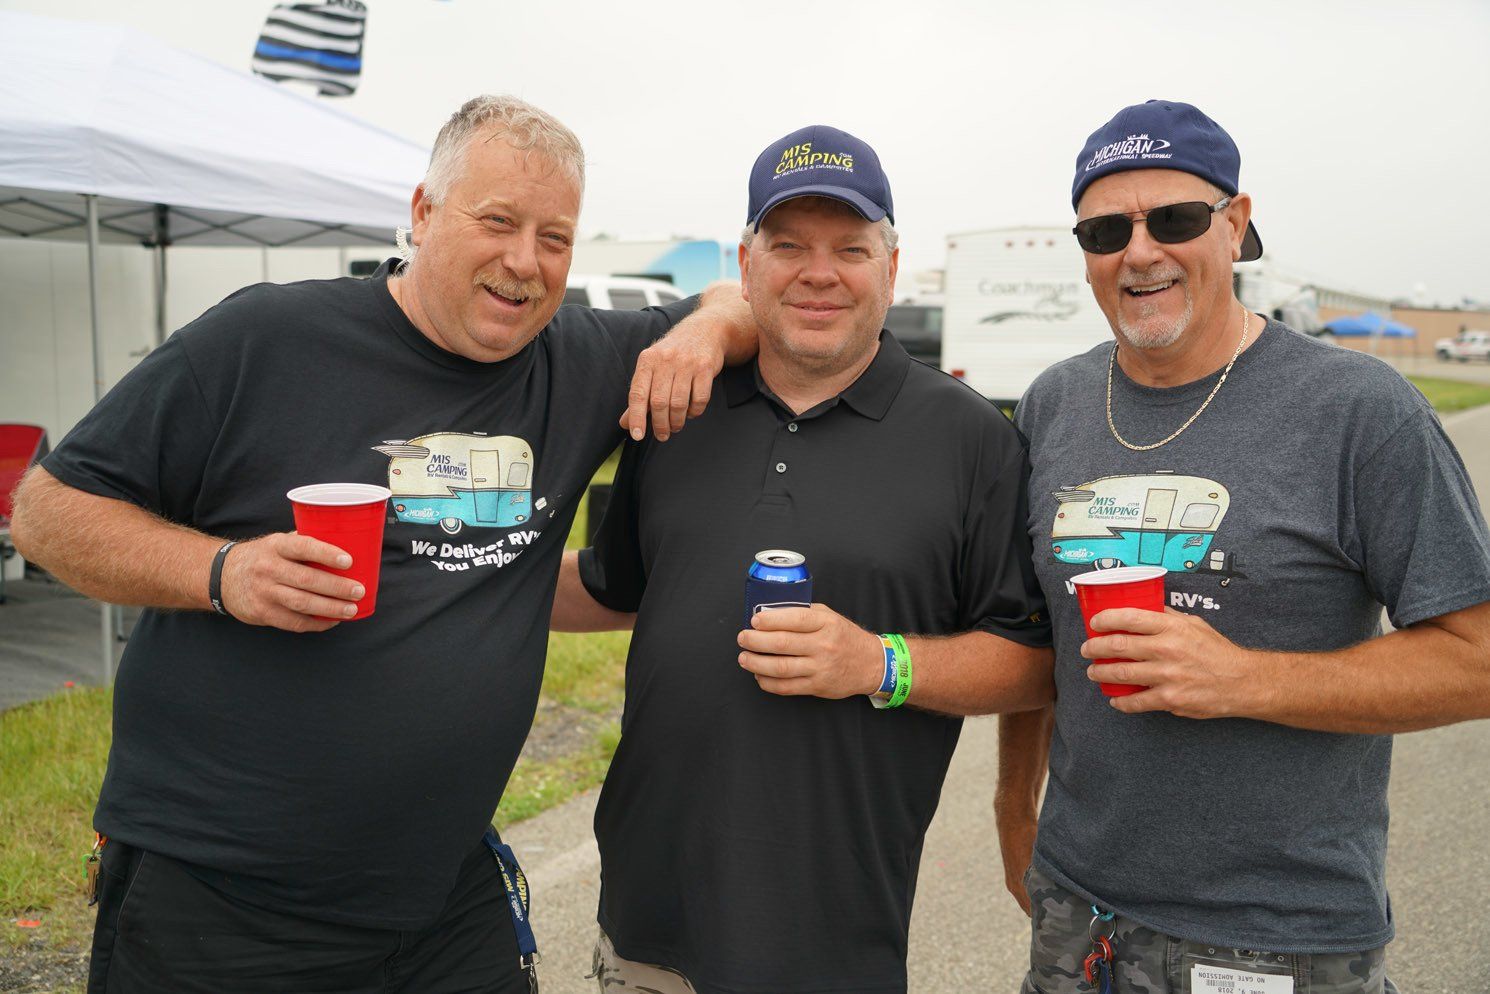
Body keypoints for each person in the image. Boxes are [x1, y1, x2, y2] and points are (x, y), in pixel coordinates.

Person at [10, 94, 758, 994]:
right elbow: (48, 512)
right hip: (219, 900)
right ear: (422, 213)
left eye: (554, 237)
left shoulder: (586, 361)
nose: (525, 261)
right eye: (497, 222)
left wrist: (706, 330)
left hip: (440, 900)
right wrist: (223, 571)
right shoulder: (265, 340)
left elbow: (736, 299)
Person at [997, 99, 1490, 993]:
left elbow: (1479, 660)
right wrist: (1010, 811)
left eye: (1175, 220)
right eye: (1106, 229)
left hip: (1281, 937)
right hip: (1078, 913)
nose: (1138, 251)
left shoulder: (1359, 411)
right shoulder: (1053, 406)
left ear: (1235, 226)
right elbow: (1038, 638)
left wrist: (1245, 678)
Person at [550, 125, 1055, 994]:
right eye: (788, 246)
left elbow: (1035, 664)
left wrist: (879, 662)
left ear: (891, 269)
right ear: (747, 266)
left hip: (832, 940)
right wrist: (441, 571)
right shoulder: (677, 407)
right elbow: (620, 588)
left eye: (850, 249)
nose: (818, 273)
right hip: (645, 929)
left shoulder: (971, 439)